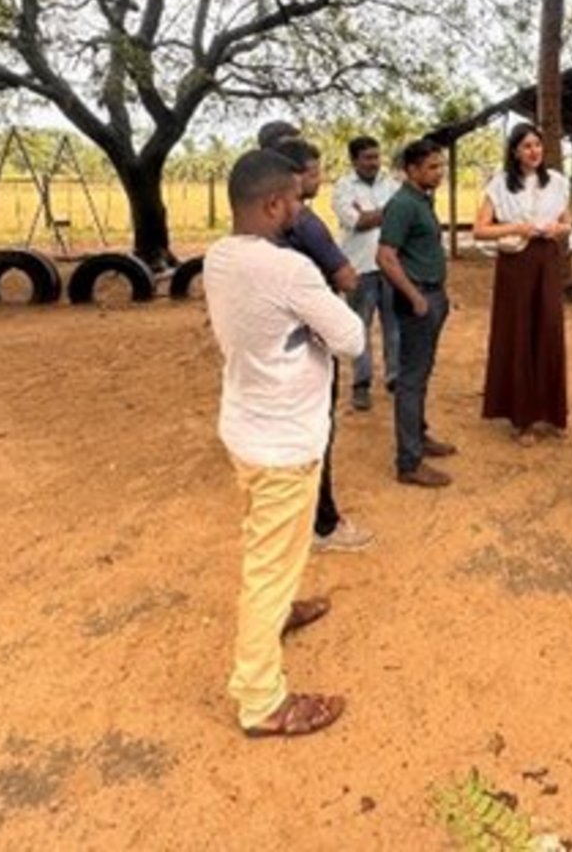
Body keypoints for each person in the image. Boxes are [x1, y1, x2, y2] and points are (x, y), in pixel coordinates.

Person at [203, 148, 366, 736]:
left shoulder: (218, 258)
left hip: (246, 427)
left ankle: (279, 610)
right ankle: (261, 701)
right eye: (295, 198)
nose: (302, 206)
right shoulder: (289, 270)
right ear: (273, 204)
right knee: (269, 565)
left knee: (266, 541)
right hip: (284, 441)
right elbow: (350, 338)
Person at [267, 135, 371, 554]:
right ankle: (323, 523)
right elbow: (346, 276)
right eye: (313, 172)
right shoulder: (306, 222)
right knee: (317, 427)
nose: (319, 179)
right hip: (311, 335)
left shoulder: (257, 225)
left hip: (273, 339)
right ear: (293, 178)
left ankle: (291, 516)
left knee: (283, 430)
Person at [473, 123, 571, 444]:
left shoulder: (557, 182)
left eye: (538, 145)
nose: (534, 151)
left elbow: (568, 221)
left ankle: (551, 412)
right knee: (518, 332)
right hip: (516, 264)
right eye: (527, 146)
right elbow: (480, 230)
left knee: (549, 329)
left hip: (548, 260)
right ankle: (521, 419)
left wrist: (558, 229)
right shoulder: (500, 184)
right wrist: (518, 227)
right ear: (514, 151)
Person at [376, 139, 458, 488]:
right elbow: (385, 256)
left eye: (440, 166)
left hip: (431, 294)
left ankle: (419, 437)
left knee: (421, 374)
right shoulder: (403, 205)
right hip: (418, 300)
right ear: (411, 171)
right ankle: (409, 462)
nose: (439, 173)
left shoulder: (422, 199)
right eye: (432, 167)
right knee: (410, 380)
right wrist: (415, 296)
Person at [331, 135, 400, 410]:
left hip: (392, 265)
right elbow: (357, 222)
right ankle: (361, 384)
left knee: (394, 325)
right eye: (367, 158)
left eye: (376, 156)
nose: (374, 162)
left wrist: (373, 214)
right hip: (360, 268)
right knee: (360, 326)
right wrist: (385, 212)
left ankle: (395, 377)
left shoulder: (390, 183)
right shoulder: (343, 188)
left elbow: (401, 217)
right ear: (353, 160)